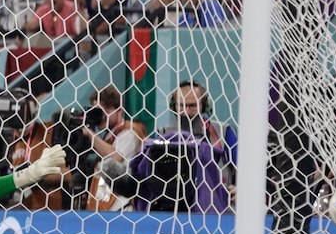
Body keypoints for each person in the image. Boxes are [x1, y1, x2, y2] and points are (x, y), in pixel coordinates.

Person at [130, 80, 237, 213]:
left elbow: (244, 170)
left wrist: (241, 189)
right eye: (182, 106)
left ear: (204, 106)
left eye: (192, 106)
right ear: (173, 106)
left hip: (216, 212)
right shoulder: (162, 136)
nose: (186, 112)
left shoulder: (224, 133)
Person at [81, 85, 147, 211]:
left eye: (107, 110)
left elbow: (115, 156)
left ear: (120, 110)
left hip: (124, 207)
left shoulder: (130, 132)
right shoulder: (106, 137)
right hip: (107, 206)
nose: (102, 115)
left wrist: (89, 133)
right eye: (98, 111)